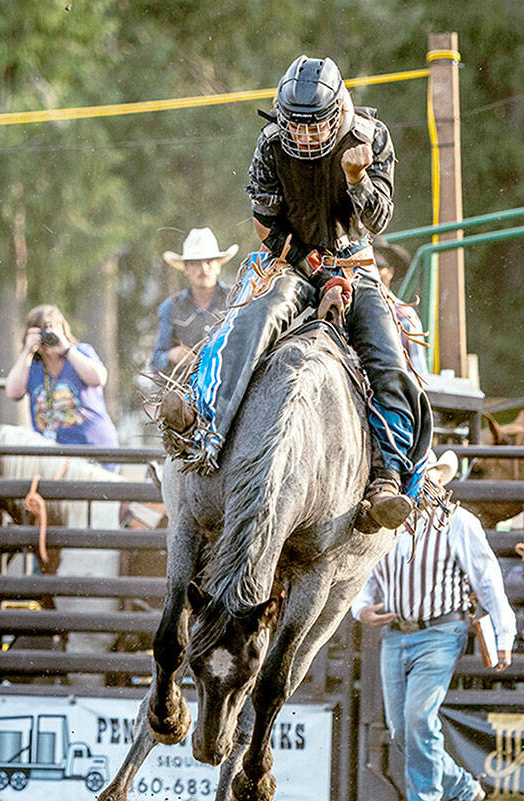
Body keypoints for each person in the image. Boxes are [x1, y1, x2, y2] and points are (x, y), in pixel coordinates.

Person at [159, 55, 432, 531]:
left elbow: (378, 222)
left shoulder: (372, 138)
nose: (304, 136)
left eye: (315, 125)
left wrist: (355, 179)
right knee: (246, 322)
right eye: (295, 125)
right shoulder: (270, 144)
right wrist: (316, 271)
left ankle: (388, 477)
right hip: (288, 258)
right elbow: (266, 223)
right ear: (281, 117)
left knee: (389, 355)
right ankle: (203, 425)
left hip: (355, 259)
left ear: (337, 115)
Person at [352, 450, 516, 801]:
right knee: (403, 728)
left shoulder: (459, 523)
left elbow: (488, 580)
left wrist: (504, 634)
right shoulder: (386, 522)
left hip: (443, 629)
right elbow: (365, 573)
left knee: (416, 719)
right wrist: (361, 608)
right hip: (397, 632)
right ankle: (459, 786)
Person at [5, 304, 119, 448]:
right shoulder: (30, 366)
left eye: (50, 332)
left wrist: (66, 349)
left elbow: (99, 378)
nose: (47, 339)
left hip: (92, 447)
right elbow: (13, 393)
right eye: (41, 334)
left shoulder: (80, 352)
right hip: (53, 455)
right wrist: (27, 350)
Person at [150, 227, 238, 378]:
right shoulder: (170, 307)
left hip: (232, 382)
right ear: (186, 269)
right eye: (195, 263)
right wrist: (172, 355)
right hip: (186, 389)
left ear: (218, 266)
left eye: (209, 262)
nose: (203, 269)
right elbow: (156, 362)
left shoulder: (237, 300)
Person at [372, 235, 429, 379]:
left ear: (390, 271)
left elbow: (418, 374)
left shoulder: (403, 315)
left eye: (378, 265)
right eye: (367, 265)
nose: (372, 271)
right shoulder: (345, 310)